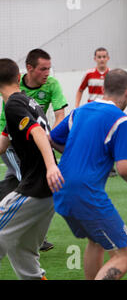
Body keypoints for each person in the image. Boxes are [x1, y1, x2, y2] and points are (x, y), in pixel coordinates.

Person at [50, 68, 127, 280]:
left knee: (96, 241)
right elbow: (124, 168)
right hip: (85, 192)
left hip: (61, 188)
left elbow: (52, 138)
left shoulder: (81, 111)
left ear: (104, 89)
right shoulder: (121, 120)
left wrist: (73, 153)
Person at [0, 58, 64, 280]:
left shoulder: (13, 105)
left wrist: (50, 168)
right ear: (19, 78)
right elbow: (3, 143)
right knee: (22, 252)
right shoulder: (27, 101)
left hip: (35, 188)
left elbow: (36, 132)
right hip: (49, 194)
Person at [74, 47, 117, 177]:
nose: (102, 59)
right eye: (99, 57)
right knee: (92, 138)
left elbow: (116, 93)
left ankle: (110, 167)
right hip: (91, 112)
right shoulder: (89, 74)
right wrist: (77, 106)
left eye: (104, 57)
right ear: (95, 59)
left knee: (108, 138)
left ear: (108, 58)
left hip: (107, 111)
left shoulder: (112, 74)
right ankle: (91, 165)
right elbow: (80, 90)